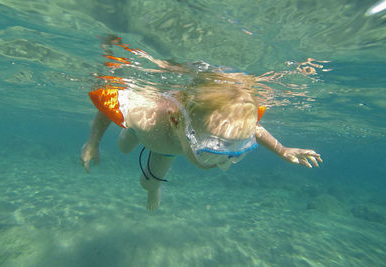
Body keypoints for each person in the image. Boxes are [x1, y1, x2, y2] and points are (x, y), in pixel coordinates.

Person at [80, 40, 322, 211]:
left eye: (234, 150)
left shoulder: (215, 127)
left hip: (166, 148)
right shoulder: (144, 116)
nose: (221, 161)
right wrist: (92, 142)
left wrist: (282, 150)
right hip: (151, 134)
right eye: (210, 150)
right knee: (124, 146)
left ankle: (153, 189)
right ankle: (133, 137)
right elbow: (106, 111)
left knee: (147, 183)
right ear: (176, 121)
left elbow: (255, 130)